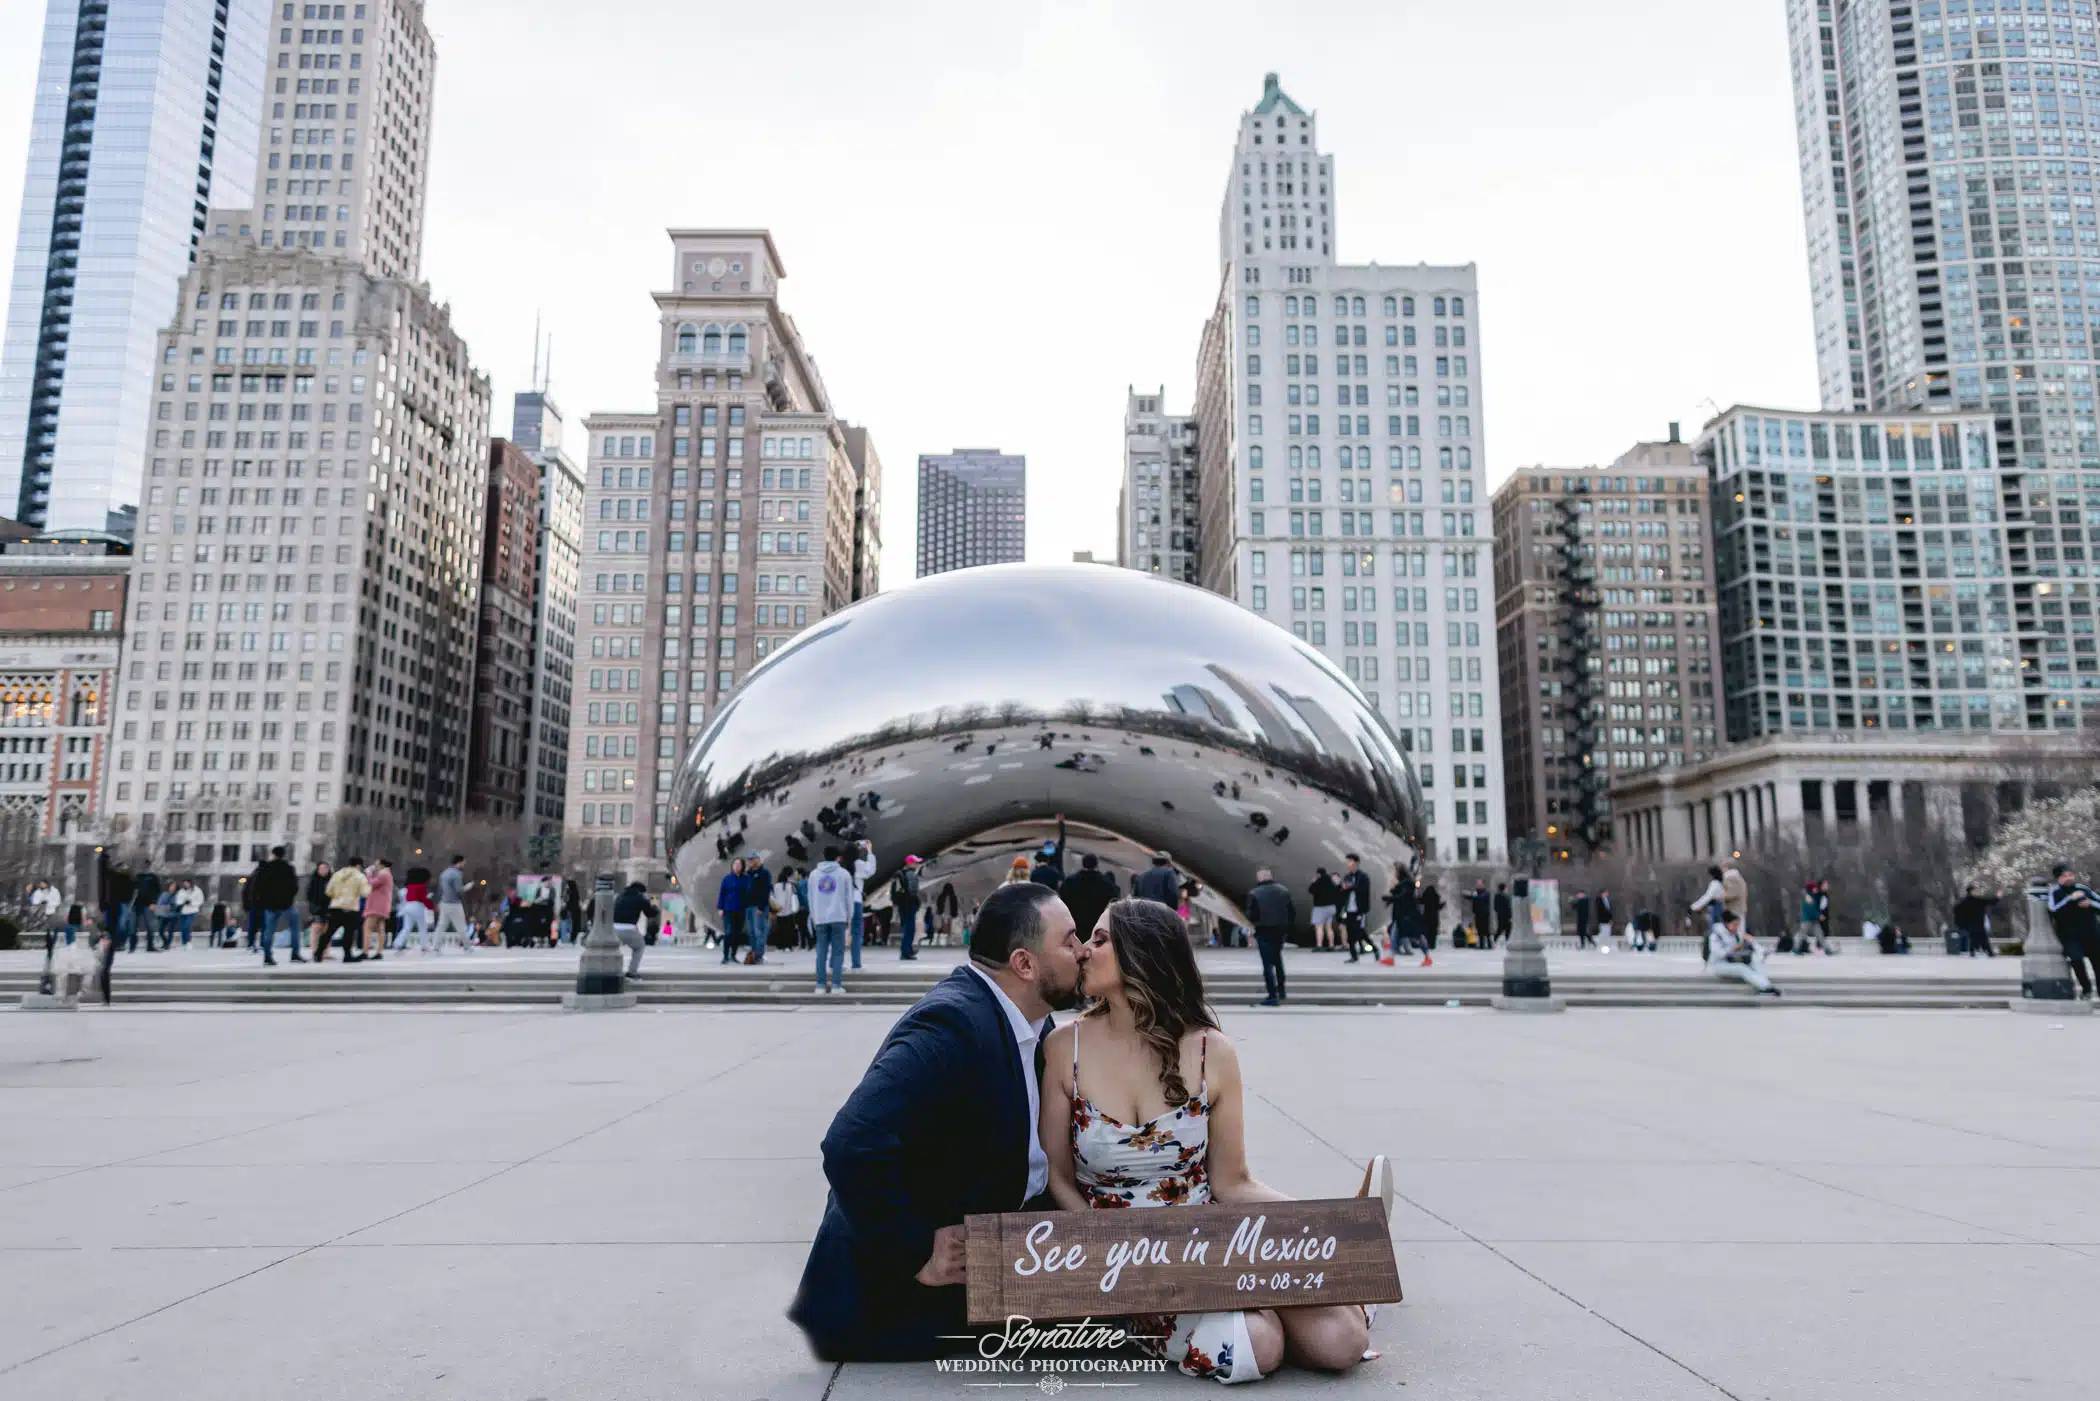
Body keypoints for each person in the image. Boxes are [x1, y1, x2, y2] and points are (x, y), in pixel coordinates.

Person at [1041, 898, 1371, 1383]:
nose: (1085, 952)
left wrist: (1319, 1228)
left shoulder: (1211, 1052)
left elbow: (1233, 1182)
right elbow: (1057, 1177)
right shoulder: (1063, 1046)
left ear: (1144, 954)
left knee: (1344, 1340)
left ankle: (1321, 1275)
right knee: (1258, 1346)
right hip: (1127, 1265)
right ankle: (1271, 1305)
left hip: (1212, 1244)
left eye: (1100, 939)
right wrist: (1115, 1266)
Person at [789, 881, 1087, 1361]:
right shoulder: (952, 1025)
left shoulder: (1033, 1024)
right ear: (1025, 964)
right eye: (1069, 940)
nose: (1083, 950)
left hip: (998, 1263)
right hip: (892, 1306)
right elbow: (852, 1143)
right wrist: (916, 1250)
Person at [2045, 863, 2099, 998]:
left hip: (2091, 932)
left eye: (2070, 875)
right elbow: (2053, 910)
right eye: (2064, 876)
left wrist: (2090, 904)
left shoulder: (2083, 889)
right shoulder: (2054, 892)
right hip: (2070, 936)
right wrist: (2070, 899)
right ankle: (2086, 989)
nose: (2068, 878)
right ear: (2058, 879)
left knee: (2098, 963)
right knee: (2076, 960)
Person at [806, 846, 854, 993]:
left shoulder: (814, 875)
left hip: (820, 918)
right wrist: (849, 917)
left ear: (823, 856)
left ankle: (820, 985)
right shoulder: (844, 874)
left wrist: (814, 917)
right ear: (837, 858)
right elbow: (848, 898)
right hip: (838, 917)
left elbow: (810, 898)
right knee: (838, 952)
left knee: (821, 952)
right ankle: (836, 985)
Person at [1244, 867, 1295, 1005]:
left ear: (1260, 877)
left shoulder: (1254, 893)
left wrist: (1255, 923)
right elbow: (1291, 912)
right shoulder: (1284, 891)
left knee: (1267, 964)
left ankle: (1272, 995)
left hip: (1263, 930)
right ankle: (1282, 989)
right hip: (1279, 930)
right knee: (1278, 959)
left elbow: (1250, 915)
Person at [1708, 911, 1781, 997]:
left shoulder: (1736, 934)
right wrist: (1733, 948)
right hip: (1719, 964)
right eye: (1735, 924)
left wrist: (1756, 946)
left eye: (1738, 925)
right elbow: (1719, 953)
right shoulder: (1716, 936)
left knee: (1756, 963)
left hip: (1734, 960)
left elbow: (1751, 945)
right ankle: (1765, 988)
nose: (1737, 927)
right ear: (1727, 924)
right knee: (1742, 968)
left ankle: (1766, 987)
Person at [252, 847, 303, 965]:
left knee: (269, 931)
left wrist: (262, 901)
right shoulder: (289, 868)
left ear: (273, 854)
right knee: (295, 927)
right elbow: (294, 886)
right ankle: (295, 953)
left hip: (270, 904)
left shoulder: (266, 868)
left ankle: (267, 955)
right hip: (287, 904)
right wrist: (289, 898)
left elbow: (259, 886)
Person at [325, 857, 370, 963]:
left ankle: (318, 953)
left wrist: (337, 897)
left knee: (329, 931)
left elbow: (328, 891)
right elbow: (365, 893)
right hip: (351, 907)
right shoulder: (360, 876)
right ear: (359, 865)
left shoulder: (337, 874)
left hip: (336, 906)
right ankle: (347, 955)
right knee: (349, 933)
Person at [612, 880, 657, 980]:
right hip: (629, 928)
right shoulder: (640, 898)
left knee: (613, 948)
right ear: (641, 891)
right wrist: (653, 905)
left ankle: (613, 970)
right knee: (639, 947)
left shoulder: (620, 896)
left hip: (614, 928)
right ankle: (632, 972)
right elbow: (650, 913)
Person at [1336, 854, 1373, 963]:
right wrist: (1341, 887)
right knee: (1350, 934)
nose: (1348, 864)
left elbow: (1362, 889)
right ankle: (1354, 956)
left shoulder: (1363, 876)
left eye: (1350, 862)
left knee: (1359, 932)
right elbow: (1342, 890)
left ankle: (1373, 948)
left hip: (1359, 909)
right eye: (1347, 862)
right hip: (1349, 909)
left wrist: (1350, 886)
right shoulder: (1347, 876)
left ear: (1356, 863)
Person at [847, 840, 877, 972]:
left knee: (838, 934)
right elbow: (871, 869)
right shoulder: (858, 865)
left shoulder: (841, 866)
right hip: (856, 901)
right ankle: (856, 964)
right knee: (857, 933)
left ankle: (835, 964)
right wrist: (869, 851)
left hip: (842, 903)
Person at [433, 855, 473, 953]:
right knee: (461, 926)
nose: (464, 865)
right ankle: (467, 947)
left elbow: (440, 889)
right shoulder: (456, 874)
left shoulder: (444, 873)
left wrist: (439, 901)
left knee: (441, 926)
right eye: (463, 863)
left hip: (444, 902)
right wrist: (467, 887)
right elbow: (458, 890)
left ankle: (436, 947)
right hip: (454, 903)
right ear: (459, 862)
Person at [889, 856, 924, 960]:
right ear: (910, 863)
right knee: (910, 929)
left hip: (902, 905)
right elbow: (913, 891)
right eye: (915, 862)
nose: (917, 864)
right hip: (909, 905)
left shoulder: (901, 873)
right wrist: (916, 902)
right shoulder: (911, 874)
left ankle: (906, 950)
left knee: (906, 928)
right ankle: (906, 952)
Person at [361, 858, 395, 961]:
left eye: (376, 864)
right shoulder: (387, 874)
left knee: (367, 927)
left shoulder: (383, 874)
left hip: (376, 905)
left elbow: (372, 883)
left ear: (382, 865)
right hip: (383, 905)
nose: (374, 866)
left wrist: (368, 874)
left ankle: (365, 951)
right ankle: (379, 951)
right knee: (381, 928)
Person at [1952, 884, 1999, 957]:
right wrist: (1997, 897)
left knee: (1974, 937)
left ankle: (1974, 951)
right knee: (1982, 937)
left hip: (1970, 924)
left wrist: (1962, 922)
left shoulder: (1964, 902)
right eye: (1975, 890)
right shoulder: (1977, 901)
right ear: (1971, 891)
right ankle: (1988, 952)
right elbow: (1989, 901)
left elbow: (1956, 909)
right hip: (1978, 922)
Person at [743, 858, 774, 964]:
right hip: (749, 906)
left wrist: (761, 907)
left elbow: (766, 891)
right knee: (751, 932)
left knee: (759, 931)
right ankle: (754, 954)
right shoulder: (748, 874)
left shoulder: (764, 873)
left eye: (753, 860)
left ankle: (759, 955)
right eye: (749, 861)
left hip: (758, 907)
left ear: (758, 861)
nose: (750, 862)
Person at [717, 856, 747, 962]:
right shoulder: (727, 879)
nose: (737, 866)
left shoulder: (745, 879)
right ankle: (725, 956)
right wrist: (720, 908)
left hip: (741, 910)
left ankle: (733, 955)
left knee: (736, 934)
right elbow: (722, 893)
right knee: (728, 933)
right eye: (735, 864)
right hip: (728, 909)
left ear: (742, 866)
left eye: (739, 864)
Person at [397, 867, 433, 953]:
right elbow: (423, 898)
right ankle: (424, 946)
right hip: (417, 906)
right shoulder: (422, 886)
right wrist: (431, 907)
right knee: (422, 927)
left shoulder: (409, 886)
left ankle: (398, 943)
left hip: (408, 906)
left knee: (407, 927)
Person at [132, 863, 164, 953]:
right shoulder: (137, 877)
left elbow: (158, 891)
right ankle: (132, 945)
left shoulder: (153, 877)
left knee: (150, 926)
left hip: (148, 904)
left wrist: (154, 902)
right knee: (133, 926)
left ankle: (150, 946)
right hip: (137, 904)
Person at [1030, 815, 1067, 891]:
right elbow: (1062, 839)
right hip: (1058, 878)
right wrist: (1061, 823)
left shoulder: (1043, 855)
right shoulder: (1058, 851)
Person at [304, 862, 332, 954]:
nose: (324, 871)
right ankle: (315, 950)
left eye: (326, 868)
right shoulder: (313, 880)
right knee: (316, 929)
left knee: (327, 930)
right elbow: (309, 895)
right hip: (317, 908)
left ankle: (325, 951)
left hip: (329, 907)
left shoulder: (331, 880)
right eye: (322, 868)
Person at [1307, 866, 1338, 951]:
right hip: (1331, 907)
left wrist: (1313, 882)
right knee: (1329, 927)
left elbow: (1311, 890)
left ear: (1318, 874)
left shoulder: (1318, 882)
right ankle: (1331, 945)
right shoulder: (1331, 882)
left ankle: (1319, 945)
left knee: (1319, 927)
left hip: (1320, 907)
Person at [1690, 865, 1727, 930]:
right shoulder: (1720, 883)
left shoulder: (1715, 884)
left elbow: (1707, 897)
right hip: (1719, 907)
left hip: (1716, 908)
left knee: (1715, 928)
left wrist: (1694, 907)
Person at [1419, 881, 1442, 959]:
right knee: (1433, 931)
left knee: (1427, 931)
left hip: (1427, 916)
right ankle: (1433, 944)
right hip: (1434, 916)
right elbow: (1438, 906)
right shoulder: (1436, 896)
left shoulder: (1425, 895)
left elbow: (1421, 901)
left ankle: (1427, 944)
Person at [1468, 881, 1491, 950]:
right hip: (1477, 913)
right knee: (1479, 929)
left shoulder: (1486, 893)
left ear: (1483, 885)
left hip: (1484, 914)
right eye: (1477, 884)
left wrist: (1473, 896)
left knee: (1486, 930)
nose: (1478, 886)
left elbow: (1480, 898)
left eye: (1480, 884)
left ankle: (1489, 944)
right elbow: (1474, 898)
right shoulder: (1476, 893)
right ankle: (1481, 944)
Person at [1491, 882, 1512, 949]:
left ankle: (1507, 941)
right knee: (1501, 929)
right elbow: (1496, 907)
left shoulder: (1506, 896)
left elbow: (1508, 907)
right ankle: (1494, 940)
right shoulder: (1498, 895)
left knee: (1508, 929)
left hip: (1506, 916)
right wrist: (1501, 913)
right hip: (1502, 916)